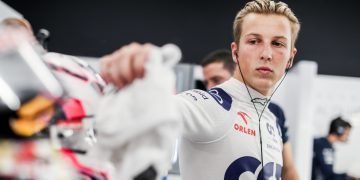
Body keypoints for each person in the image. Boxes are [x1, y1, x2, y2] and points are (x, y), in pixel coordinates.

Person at [99, 0, 300, 179]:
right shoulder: (213, 106)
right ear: (235, 51)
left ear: (290, 57)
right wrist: (135, 78)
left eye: (277, 43)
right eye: (254, 41)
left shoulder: (272, 118)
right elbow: (162, 107)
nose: (266, 53)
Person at [201, 49, 299, 179]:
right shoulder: (207, 110)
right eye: (206, 82)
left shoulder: (274, 112)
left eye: (216, 79)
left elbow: (288, 168)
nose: (210, 87)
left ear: (236, 74)